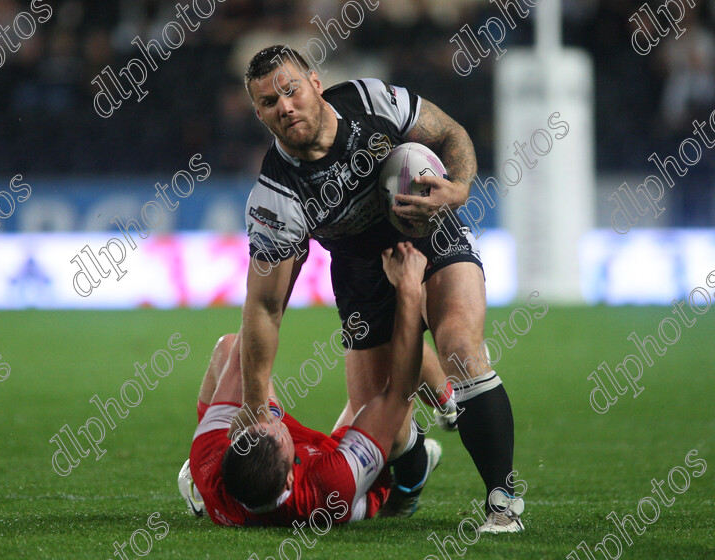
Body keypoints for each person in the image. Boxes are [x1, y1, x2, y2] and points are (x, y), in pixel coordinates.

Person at [239, 45, 523, 532]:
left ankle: (503, 502)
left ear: (314, 82)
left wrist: (458, 189)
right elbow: (265, 308)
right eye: (268, 102)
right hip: (359, 273)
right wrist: (254, 403)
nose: (284, 106)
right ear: (260, 114)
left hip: (428, 234)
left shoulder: (372, 102)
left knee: (459, 345)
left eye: (290, 90)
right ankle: (415, 470)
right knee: (383, 426)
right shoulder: (275, 196)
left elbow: (450, 133)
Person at [182, 243, 441, 526]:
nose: (265, 421)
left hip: (259, 469)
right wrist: (409, 290)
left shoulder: (208, 462)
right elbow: (399, 390)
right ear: (291, 479)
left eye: (251, 431)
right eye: (275, 432)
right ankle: (412, 475)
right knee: (387, 398)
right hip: (354, 472)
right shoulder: (333, 483)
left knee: (229, 348)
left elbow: (247, 340)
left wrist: (287, 256)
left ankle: (442, 395)